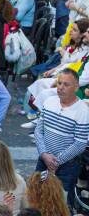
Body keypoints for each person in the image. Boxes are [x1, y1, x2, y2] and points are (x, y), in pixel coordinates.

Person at [34, 69, 89, 206]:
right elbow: (38, 130)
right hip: (44, 160)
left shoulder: (83, 111)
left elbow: (80, 143)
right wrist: (44, 154)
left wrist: (56, 162)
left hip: (67, 167)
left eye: (66, 84)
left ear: (76, 87)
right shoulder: (49, 101)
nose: (61, 87)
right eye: (59, 83)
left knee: (60, 205)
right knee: (36, 198)